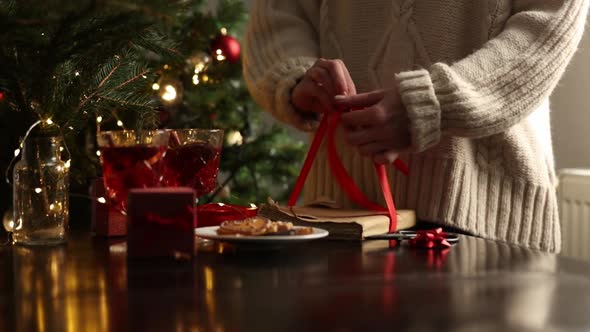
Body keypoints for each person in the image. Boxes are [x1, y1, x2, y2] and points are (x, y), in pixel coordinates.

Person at [242, 0, 589, 252]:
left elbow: (550, 20)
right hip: (341, 218)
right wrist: (298, 77)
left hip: (488, 217)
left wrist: (432, 104)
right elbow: (279, 14)